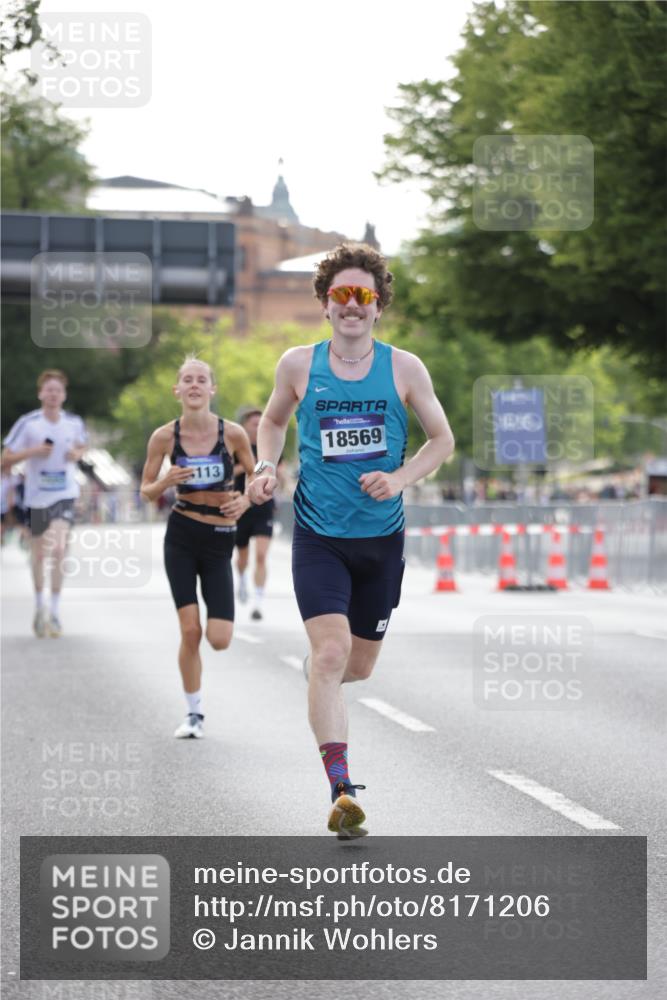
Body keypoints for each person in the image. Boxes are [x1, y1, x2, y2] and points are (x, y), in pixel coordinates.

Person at [248, 243, 455, 837]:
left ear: (378, 305)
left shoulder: (404, 369)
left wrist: (400, 478)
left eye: (364, 294)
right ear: (325, 303)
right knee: (332, 655)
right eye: (342, 293)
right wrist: (265, 466)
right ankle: (341, 790)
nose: (352, 304)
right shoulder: (297, 365)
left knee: (355, 667)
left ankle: (321, 673)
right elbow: (273, 421)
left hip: (381, 541)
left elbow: (441, 440)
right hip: (320, 537)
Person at [140, 355, 254, 739]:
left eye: (201, 379)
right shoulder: (164, 437)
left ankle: (196, 709)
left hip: (220, 538)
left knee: (218, 639)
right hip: (183, 535)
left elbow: (258, 477)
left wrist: (246, 501)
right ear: (177, 390)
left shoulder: (233, 434)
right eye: (187, 379)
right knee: (190, 631)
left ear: (211, 389)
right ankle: (194, 714)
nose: (194, 385)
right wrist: (166, 481)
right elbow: (145, 491)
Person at [1, 370, 88, 637]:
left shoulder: (73, 423)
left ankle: (56, 611)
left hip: (65, 494)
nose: (53, 394)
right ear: (40, 393)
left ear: (64, 395)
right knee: (39, 554)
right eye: (48, 389)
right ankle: (40, 606)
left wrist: (77, 454)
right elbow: (5, 459)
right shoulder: (28, 424)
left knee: (59, 549)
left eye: (57, 390)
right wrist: (33, 451)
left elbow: (82, 447)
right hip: (37, 498)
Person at [233, 406, 284, 621]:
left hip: (263, 506)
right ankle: (242, 579)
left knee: (261, 556)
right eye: (253, 424)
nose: (257, 427)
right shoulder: (236, 445)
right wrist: (250, 466)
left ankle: (258, 602)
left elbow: (280, 473)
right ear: (245, 426)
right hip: (240, 506)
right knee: (242, 556)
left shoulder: (269, 446)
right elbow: (228, 472)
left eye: (260, 423)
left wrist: (278, 477)